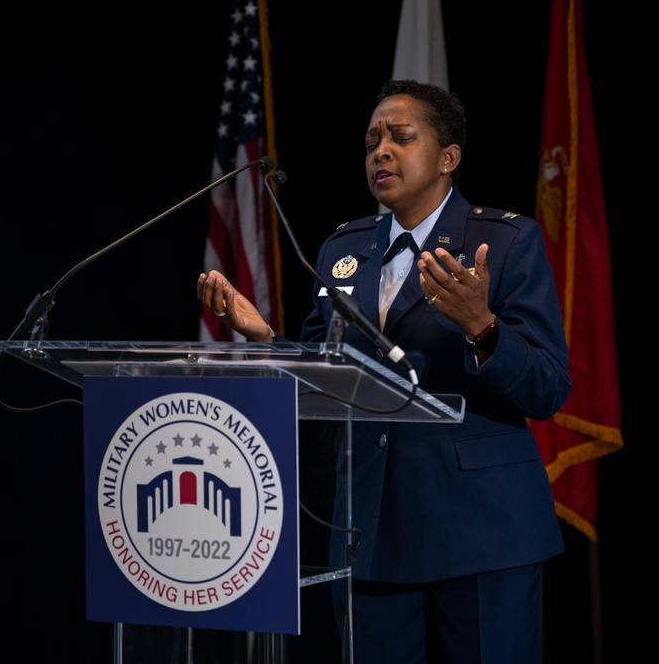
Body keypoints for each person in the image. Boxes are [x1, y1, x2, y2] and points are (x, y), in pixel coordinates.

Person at [197, 79, 572, 663]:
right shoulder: (341, 249)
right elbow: (327, 374)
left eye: (400, 137)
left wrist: (483, 327)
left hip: (483, 530)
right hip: (371, 530)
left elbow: (549, 388)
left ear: (448, 158)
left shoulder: (503, 242)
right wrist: (267, 339)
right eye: (372, 140)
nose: (381, 151)